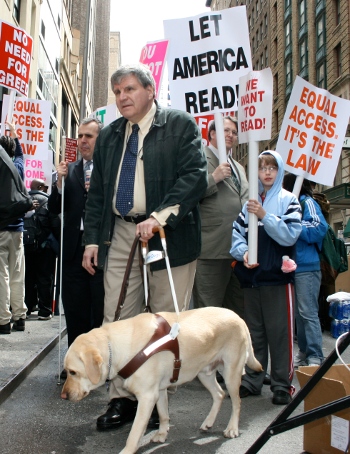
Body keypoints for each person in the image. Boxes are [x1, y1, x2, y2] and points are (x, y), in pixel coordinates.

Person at [82, 63, 207, 431]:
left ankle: (154, 403)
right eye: (117, 91)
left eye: (130, 89)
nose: (122, 97)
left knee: (164, 323)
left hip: (169, 235)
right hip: (121, 234)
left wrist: (160, 216)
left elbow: (195, 176)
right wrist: (92, 239)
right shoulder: (109, 136)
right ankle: (120, 398)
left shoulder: (179, 125)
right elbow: (99, 194)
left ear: (150, 90)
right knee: (116, 320)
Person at [230, 151, 302, 405]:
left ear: (279, 170)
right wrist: (244, 252)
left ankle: (282, 384)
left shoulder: (288, 200)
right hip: (251, 277)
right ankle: (252, 380)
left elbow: (290, 235)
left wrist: (263, 215)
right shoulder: (247, 203)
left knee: (280, 333)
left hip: (277, 279)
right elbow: (236, 236)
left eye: (272, 167)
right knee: (253, 333)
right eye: (262, 168)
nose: (268, 172)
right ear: (256, 173)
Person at [48, 118, 105, 360]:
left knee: (99, 308)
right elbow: (53, 209)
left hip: (101, 250)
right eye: (80, 136)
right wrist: (58, 184)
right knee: (74, 309)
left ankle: (100, 362)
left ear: (99, 139)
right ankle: (74, 362)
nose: (83, 140)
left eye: (89, 136)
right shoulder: (68, 169)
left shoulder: (108, 169)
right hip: (72, 251)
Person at [192, 116, 248, 319]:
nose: (231, 135)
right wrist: (213, 178)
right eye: (226, 130)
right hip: (211, 249)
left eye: (234, 132)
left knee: (236, 313)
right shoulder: (198, 158)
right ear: (212, 133)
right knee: (209, 313)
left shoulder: (239, 167)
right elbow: (187, 195)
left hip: (238, 250)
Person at [283, 174, 327, 367]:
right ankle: (305, 352)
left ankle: (315, 354)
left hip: (307, 266)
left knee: (307, 312)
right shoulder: (294, 204)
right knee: (300, 314)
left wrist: (293, 226)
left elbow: (319, 228)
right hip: (295, 266)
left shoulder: (307, 202)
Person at [0, 121, 28, 334]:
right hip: (17, 228)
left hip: (1, 227)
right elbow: (21, 155)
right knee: (18, 273)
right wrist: (16, 136)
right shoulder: (18, 166)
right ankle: (20, 316)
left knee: (2, 274)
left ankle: (3, 319)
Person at [24, 179, 60, 320]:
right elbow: (55, 224)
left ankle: (27, 307)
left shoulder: (25, 200)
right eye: (45, 186)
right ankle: (45, 310)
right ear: (40, 187)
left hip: (26, 245)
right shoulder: (48, 201)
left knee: (28, 277)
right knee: (45, 278)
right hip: (45, 247)